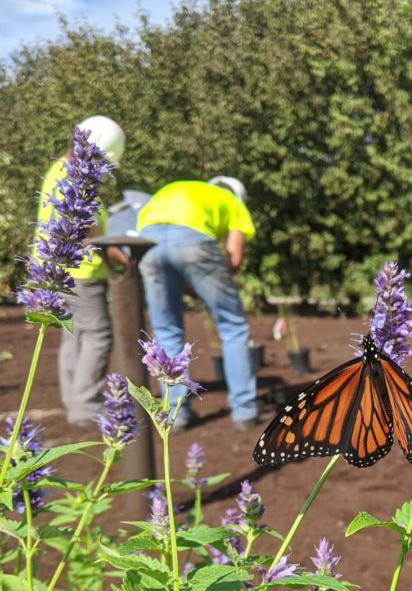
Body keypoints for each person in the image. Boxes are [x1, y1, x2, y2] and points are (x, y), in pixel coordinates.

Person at [137, 177, 259, 432]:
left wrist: (194, 288)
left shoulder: (182, 189)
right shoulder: (233, 202)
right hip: (191, 240)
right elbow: (234, 260)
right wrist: (208, 289)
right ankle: (245, 411)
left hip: (145, 239)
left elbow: (170, 257)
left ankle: (176, 416)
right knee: (232, 326)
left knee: (166, 331)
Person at [38, 115, 126, 427]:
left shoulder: (57, 170)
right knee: (99, 335)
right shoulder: (79, 180)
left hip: (51, 265)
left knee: (72, 335)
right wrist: (125, 259)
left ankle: (74, 402)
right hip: (81, 271)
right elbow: (92, 231)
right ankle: (85, 404)